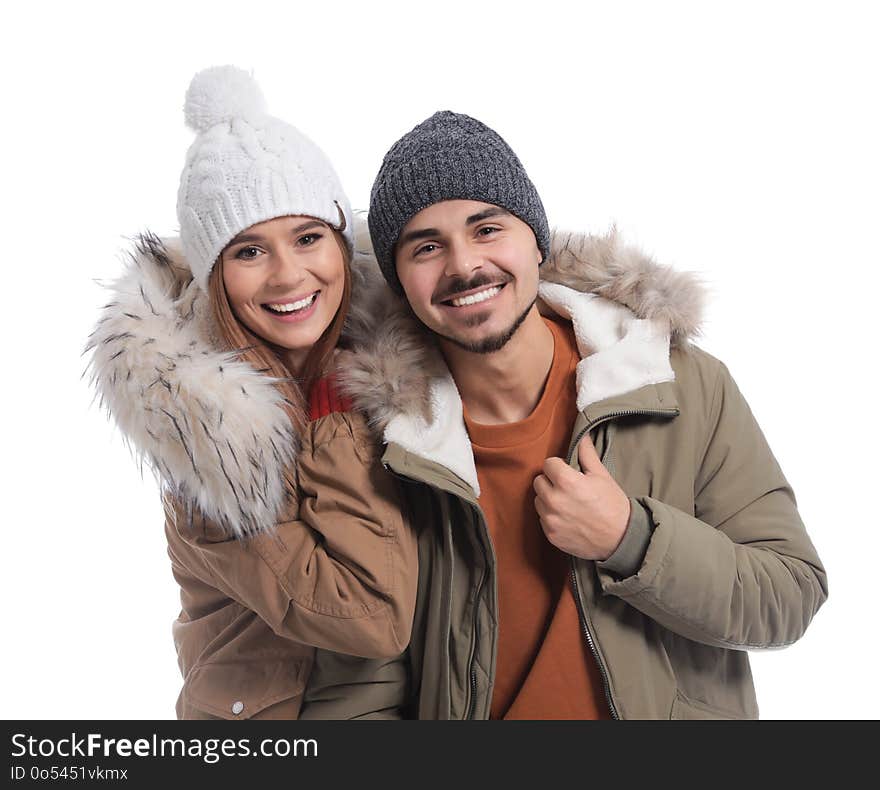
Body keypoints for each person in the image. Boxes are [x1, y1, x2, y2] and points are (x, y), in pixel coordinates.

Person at [339, 110, 829, 719]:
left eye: (487, 228)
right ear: (399, 281)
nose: (464, 265)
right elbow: (358, 682)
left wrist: (633, 539)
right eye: (427, 247)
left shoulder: (677, 383)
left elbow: (788, 594)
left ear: (535, 241)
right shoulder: (379, 443)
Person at [85, 66, 417, 720]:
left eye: (308, 237)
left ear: (342, 243)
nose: (288, 274)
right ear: (215, 275)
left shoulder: (386, 358)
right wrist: (334, 419)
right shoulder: (207, 440)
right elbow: (371, 617)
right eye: (248, 252)